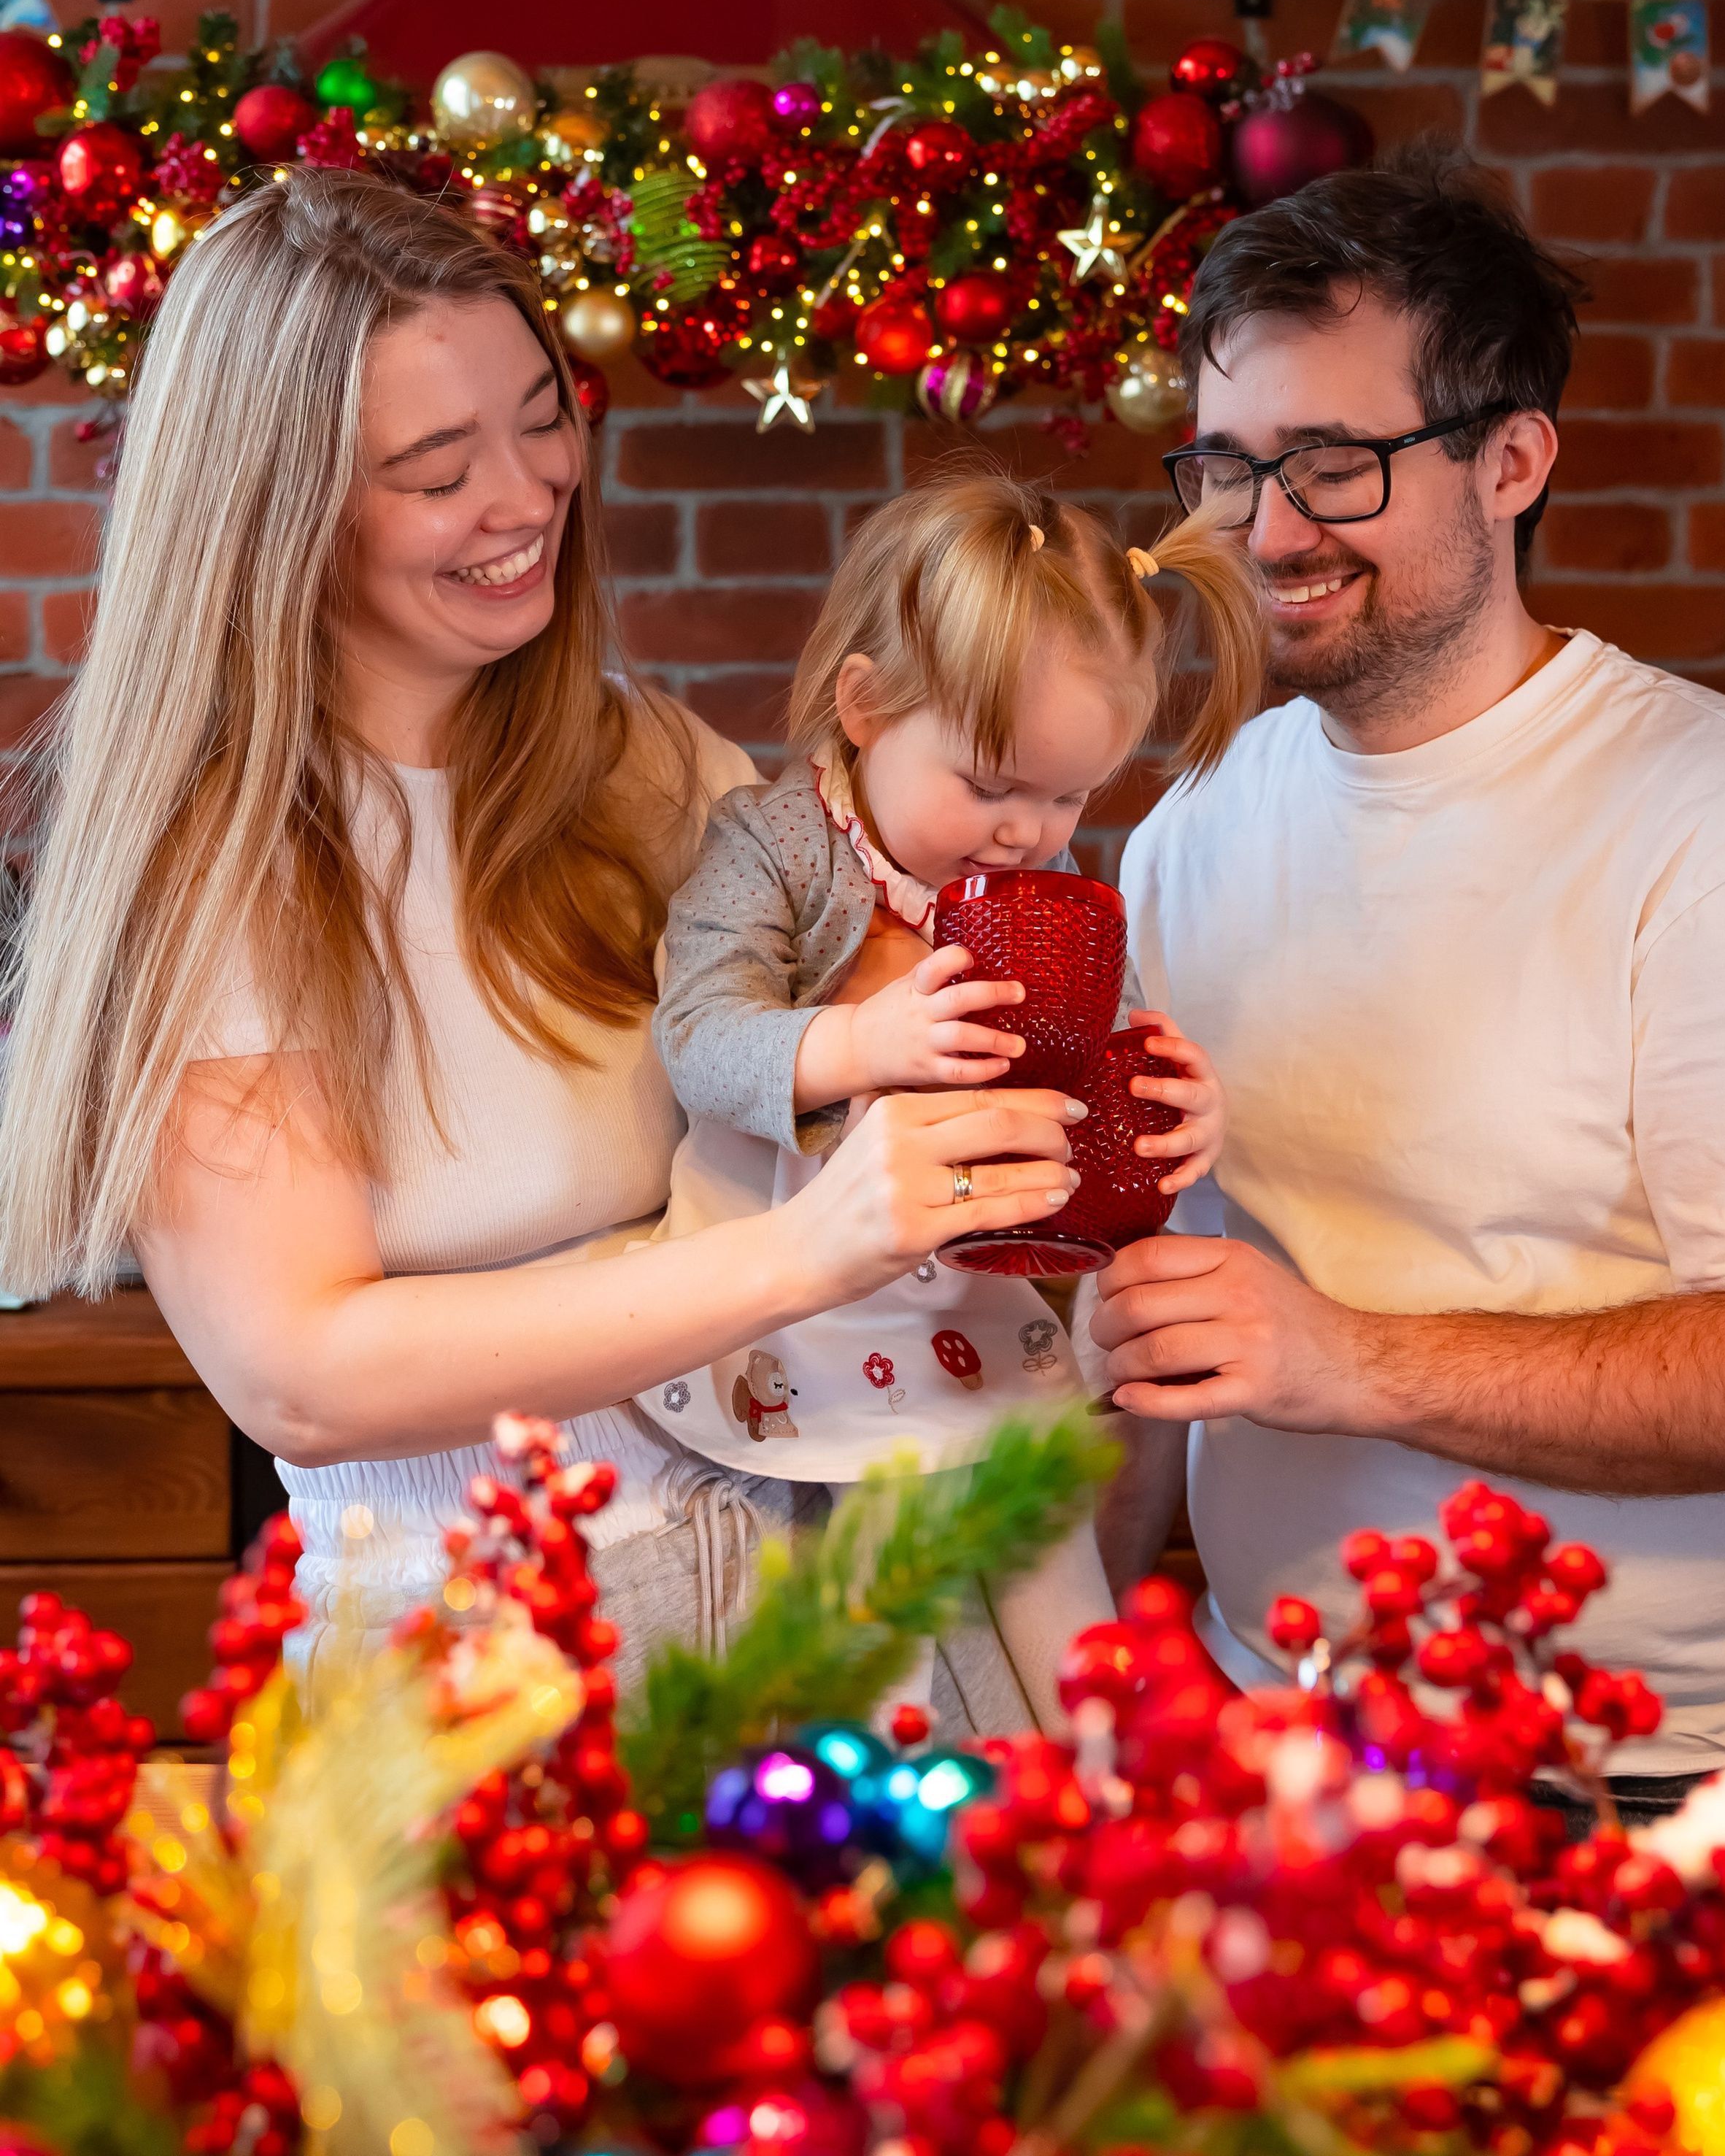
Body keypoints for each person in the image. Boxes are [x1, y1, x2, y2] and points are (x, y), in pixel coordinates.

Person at [0, 170, 1084, 1684]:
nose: (525, 496)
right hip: (472, 1658)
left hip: (805, 1595)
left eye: (539, 415)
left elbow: (852, 1081)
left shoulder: (652, 766)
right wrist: (802, 1254)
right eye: (438, 466)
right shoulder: (213, 867)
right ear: (277, 510)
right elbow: (305, 1377)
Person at [1093, 140, 1725, 1830]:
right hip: (1264, 1730)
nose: (1266, 530)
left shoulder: (1722, 826)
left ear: (1508, 458)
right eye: (1226, 470)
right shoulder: (1192, 823)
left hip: (1656, 1781)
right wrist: (1062, 1657)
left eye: (1331, 465)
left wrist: (1352, 1361)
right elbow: (1172, 1294)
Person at [646, 470, 1249, 1723]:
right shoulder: (773, 847)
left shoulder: (1042, 890)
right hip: (798, 1297)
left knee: (1047, 1582)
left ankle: (1091, 1798)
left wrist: (1165, 1104)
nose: (1031, 832)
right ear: (864, 707)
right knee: (866, 1598)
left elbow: (1091, 1073)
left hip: (972, 1295)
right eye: (990, 784)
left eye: (1069, 795)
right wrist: (861, 1043)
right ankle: (898, 1803)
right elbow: (698, 1036)